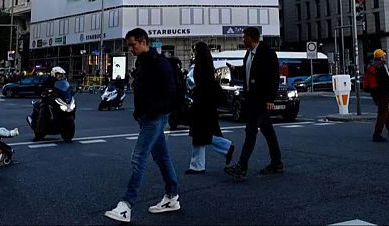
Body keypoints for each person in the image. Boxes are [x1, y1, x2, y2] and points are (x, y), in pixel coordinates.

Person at [105, 28, 179, 223]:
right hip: (147, 117)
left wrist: (151, 111)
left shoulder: (159, 63)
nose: (130, 49)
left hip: (154, 118)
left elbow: (170, 94)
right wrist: (139, 113)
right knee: (162, 157)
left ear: (143, 41)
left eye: (133, 44)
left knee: (139, 158)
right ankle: (172, 196)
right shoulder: (142, 62)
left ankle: (126, 205)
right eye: (129, 45)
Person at [224, 27, 284, 179]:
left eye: (244, 37)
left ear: (251, 38)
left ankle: (242, 166)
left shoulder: (266, 52)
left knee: (250, 131)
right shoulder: (249, 54)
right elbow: (247, 72)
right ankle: (277, 163)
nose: (242, 39)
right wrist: (235, 70)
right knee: (268, 132)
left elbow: (274, 76)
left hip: (261, 99)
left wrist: (271, 98)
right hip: (252, 98)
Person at [185, 42, 234, 175]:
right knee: (201, 133)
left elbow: (193, 84)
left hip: (201, 104)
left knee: (199, 134)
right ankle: (198, 164)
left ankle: (200, 163)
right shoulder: (207, 65)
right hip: (207, 104)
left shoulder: (199, 66)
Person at [367, 49, 389, 142]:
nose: (384, 57)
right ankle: (377, 134)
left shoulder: (372, 66)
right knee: (382, 113)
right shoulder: (382, 65)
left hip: (375, 93)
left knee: (384, 111)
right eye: (383, 55)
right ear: (381, 57)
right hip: (383, 93)